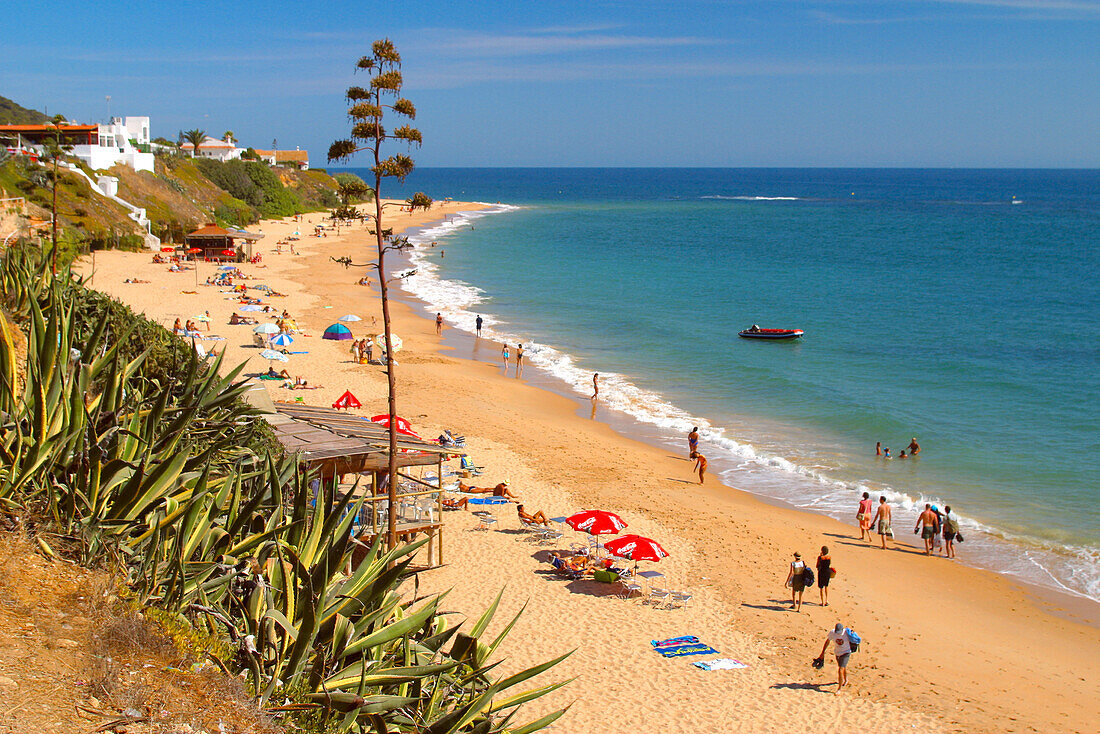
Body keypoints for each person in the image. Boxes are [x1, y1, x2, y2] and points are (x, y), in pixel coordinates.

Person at [817, 623, 852, 693]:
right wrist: (823, 652)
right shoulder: (832, 633)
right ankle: (846, 679)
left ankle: (839, 689)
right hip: (838, 653)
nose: (838, 634)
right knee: (842, 667)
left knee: (840, 669)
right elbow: (827, 641)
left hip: (846, 652)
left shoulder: (846, 633)